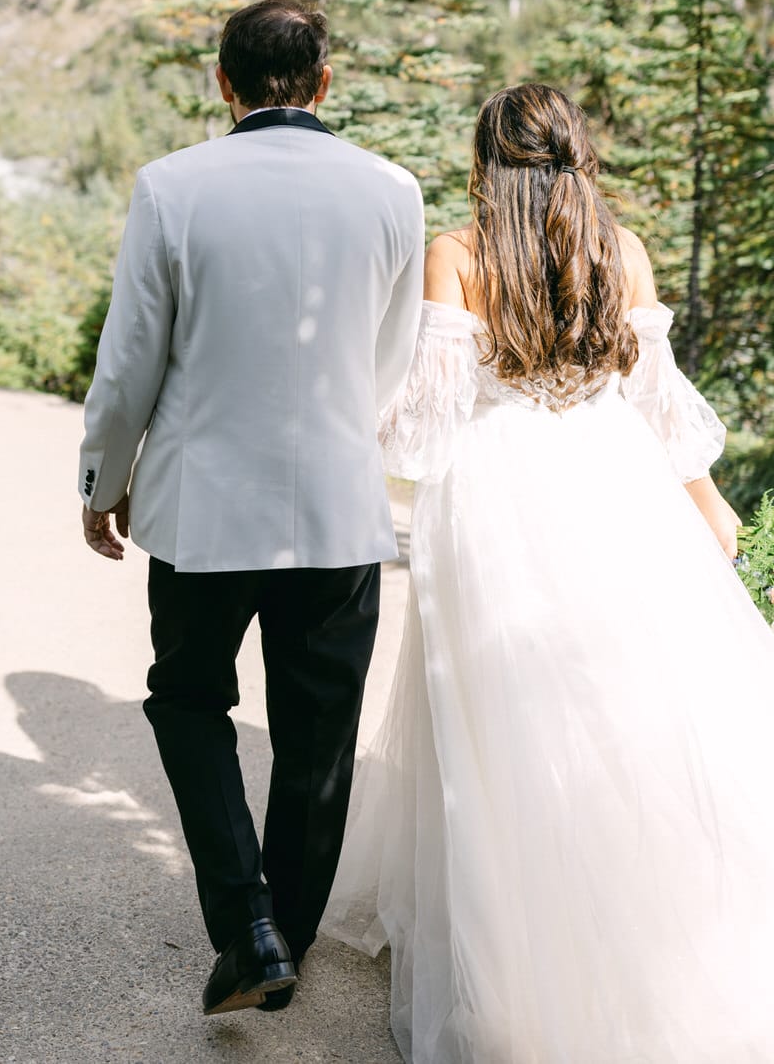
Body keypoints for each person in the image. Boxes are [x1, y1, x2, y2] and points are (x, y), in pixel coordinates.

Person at [322, 82, 774, 1064]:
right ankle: (650, 929)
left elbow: (427, 424)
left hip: (495, 496)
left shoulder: (460, 254)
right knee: (630, 708)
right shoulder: (622, 249)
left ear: (487, 163)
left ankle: (518, 965)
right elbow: (656, 403)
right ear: (576, 155)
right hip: (615, 485)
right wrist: (704, 501)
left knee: (502, 723)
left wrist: (356, 427)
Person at [79, 0, 425, 1016]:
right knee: (320, 733)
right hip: (336, 505)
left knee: (189, 702)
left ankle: (248, 925)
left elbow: (130, 357)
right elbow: (390, 361)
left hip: (200, 511)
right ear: (324, 83)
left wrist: (103, 484)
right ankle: (285, 943)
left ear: (222, 83)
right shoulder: (391, 191)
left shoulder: (172, 187)